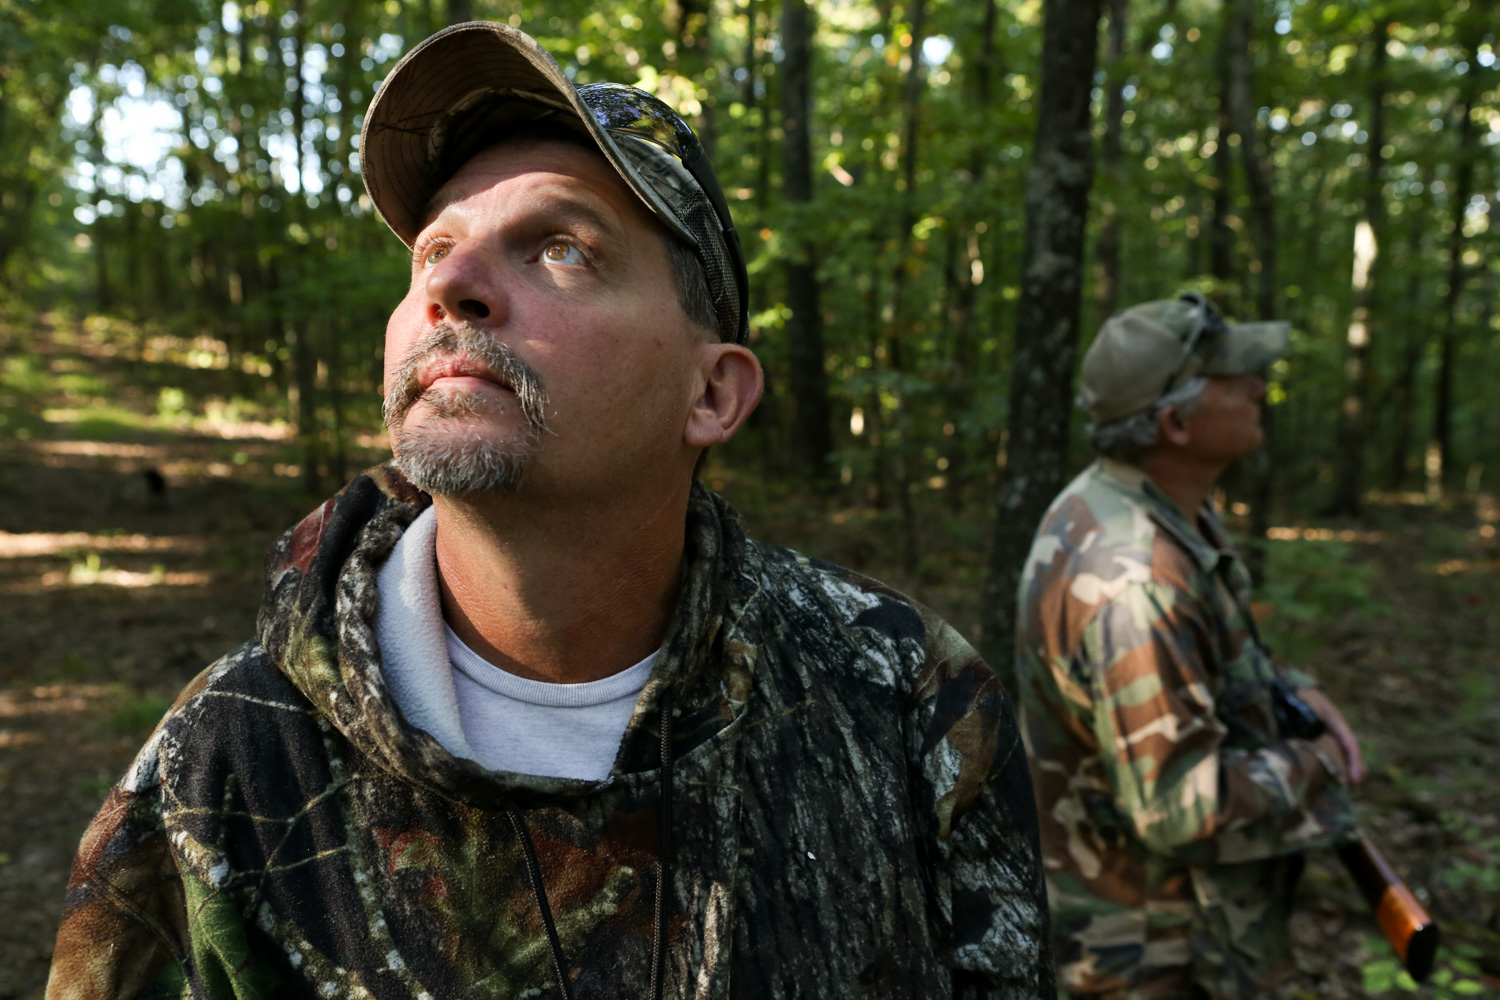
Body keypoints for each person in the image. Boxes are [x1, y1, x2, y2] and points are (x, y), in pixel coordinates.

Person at [47, 22, 1052, 1000]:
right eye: (434, 247)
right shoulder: (228, 762)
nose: (450, 283)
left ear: (710, 395)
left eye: (562, 248)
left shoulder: (901, 694)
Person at [1013, 293, 1365, 998]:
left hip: (1180, 925)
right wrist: (1316, 760)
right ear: (1176, 422)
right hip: (1150, 950)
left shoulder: (1146, 505)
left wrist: (1294, 690)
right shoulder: (1137, 580)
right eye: (1239, 380)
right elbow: (1180, 808)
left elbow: (1213, 661)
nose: (1260, 389)